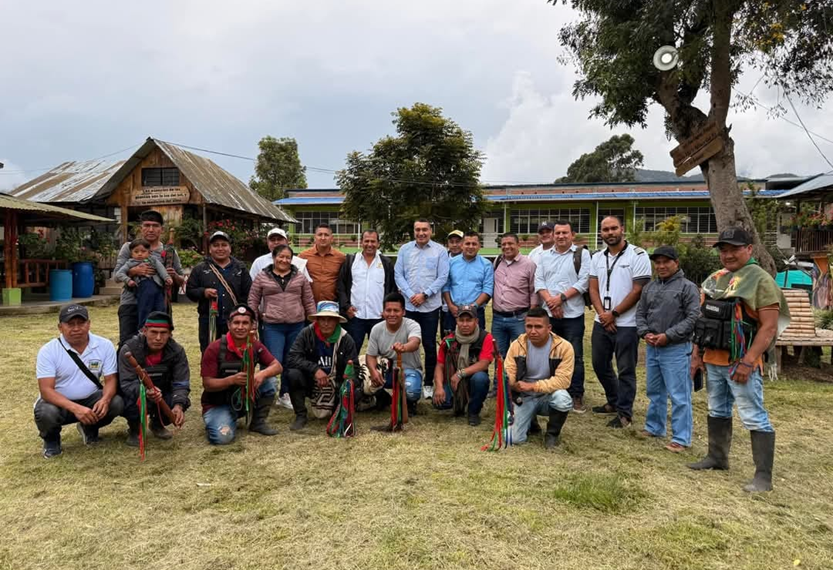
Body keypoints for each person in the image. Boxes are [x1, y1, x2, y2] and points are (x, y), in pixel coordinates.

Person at [687, 228, 790, 493]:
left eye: (734, 248)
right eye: (723, 249)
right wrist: (696, 355)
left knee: (754, 415)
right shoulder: (716, 279)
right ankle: (717, 458)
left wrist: (748, 361)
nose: (728, 254)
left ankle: (763, 477)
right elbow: (703, 321)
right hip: (713, 359)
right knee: (716, 409)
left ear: (749, 249)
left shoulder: (760, 281)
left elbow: (768, 327)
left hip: (740, 361)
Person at [34, 304, 125, 458]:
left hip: (90, 399)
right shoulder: (48, 351)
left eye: (81, 323)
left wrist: (105, 399)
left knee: (116, 402)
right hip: (60, 403)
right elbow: (46, 391)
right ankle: (51, 440)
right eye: (70, 324)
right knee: (46, 412)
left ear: (88, 324)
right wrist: (76, 408)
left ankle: (89, 428)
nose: (76, 328)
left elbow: (111, 380)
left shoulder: (104, 345)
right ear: (60, 327)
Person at [635, 246, 700, 452]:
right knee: (655, 391)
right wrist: (645, 332)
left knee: (679, 395)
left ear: (676, 263)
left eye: (666, 262)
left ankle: (681, 438)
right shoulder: (650, 287)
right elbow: (640, 313)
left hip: (676, 348)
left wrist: (668, 336)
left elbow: (693, 318)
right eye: (658, 262)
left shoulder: (687, 287)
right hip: (653, 347)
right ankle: (654, 427)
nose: (661, 266)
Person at [588, 215, 651, 428]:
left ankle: (625, 413)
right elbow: (593, 288)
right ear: (601, 233)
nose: (610, 233)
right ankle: (614, 401)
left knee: (626, 369)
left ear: (622, 229)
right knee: (599, 364)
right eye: (605, 229)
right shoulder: (596, 257)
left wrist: (613, 314)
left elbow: (638, 290)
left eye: (613, 228)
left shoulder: (638, 255)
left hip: (627, 323)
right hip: (601, 321)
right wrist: (603, 314)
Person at [200, 304, 282, 444]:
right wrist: (231, 380)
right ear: (228, 324)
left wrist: (261, 374)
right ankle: (220, 420)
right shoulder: (215, 348)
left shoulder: (254, 345)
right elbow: (208, 384)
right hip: (218, 404)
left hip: (243, 400)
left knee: (270, 382)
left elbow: (277, 367)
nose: (240, 327)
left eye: (245, 323)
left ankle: (257, 422)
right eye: (236, 323)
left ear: (252, 326)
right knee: (222, 439)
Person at [248, 244, 316, 410]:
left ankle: (286, 394)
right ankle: (265, 392)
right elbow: (253, 301)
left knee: (291, 360)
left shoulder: (300, 277)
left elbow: (308, 300)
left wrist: (314, 322)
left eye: (287, 257)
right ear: (274, 257)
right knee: (273, 360)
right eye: (281, 256)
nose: (284, 260)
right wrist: (253, 323)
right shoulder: (262, 276)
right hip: (272, 325)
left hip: (296, 325)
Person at [534, 220, 592, 413]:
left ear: (572, 235)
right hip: (549, 314)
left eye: (564, 233)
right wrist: (551, 301)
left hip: (573, 314)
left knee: (575, 355)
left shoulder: (582, 254)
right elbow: (539, 280)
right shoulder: (544, 256)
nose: (560, 236)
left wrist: (561, 299)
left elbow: (584, 281)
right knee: (549, 355)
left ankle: (576, 394)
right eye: (557, 233)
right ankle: (553, 391)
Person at [285, 300, 361, 431]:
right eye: (322, 319)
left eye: (330, 319)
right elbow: (292, 358)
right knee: (293, 374)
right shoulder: (306, 333)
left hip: (336, 383)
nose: (326, 323)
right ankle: (301, 415)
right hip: (311, 381)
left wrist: (346, 381)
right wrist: (315, 369)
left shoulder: (346, 339)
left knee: (354, 387)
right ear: (317, 320)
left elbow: (355, 369)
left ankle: (340, 411)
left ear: (337, 321)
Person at [394, 219, 450, 399]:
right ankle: (409, 379)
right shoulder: (404, 250)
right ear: (414, 231)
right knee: (408, 344)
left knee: (428, 345)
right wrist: (411, 294)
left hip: (430, 308)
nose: (421, 233)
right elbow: (398, 274)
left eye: (425, 229)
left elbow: (442, 276)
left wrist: (424, 295)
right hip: (409, 305)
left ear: (431, 231)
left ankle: (427, 383)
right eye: (417, 229)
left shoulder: (440, 251)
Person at [118, 311, 190, 446]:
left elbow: (181, 382)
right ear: (144, 331)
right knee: (127, 401)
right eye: (153, 332)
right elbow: (126, 383)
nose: (158, 338)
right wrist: (145, 393)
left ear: (170, 334)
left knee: (181, 399)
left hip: (163, 393)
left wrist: (178, 405)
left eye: (163, 333)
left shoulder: (177, 351)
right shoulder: (129, 350)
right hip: (137, 393)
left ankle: (157, 424)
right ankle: (135, 428)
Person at [506, 307, 574, 448]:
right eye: (529, 326)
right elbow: (509, 371)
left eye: (538, 327)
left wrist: (533, 386)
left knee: (563, 398)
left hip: (548, 396)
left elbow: (563, 381)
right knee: (512, 438)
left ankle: (552, 434)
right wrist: (511, 382)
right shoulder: (516, 345)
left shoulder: (564, 347)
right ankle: (531, 421)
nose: (533, 331)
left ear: (549, 328)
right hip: (523, 396)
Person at [114, 210, 185, 346]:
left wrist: (173, 275)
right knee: (128, 343)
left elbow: (181, 280)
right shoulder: (129, 247)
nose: (150, 229)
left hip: (158, 303)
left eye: (155, 226)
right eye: (146, 225)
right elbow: (116, 276)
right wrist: (133, 271)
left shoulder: (169, 252)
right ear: (141, 228)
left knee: (158, 345)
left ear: (161, 229)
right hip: (131, 304)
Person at [186, 231, 252, 352]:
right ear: (210, 249)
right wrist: (203, 292)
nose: (220, 248)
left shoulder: (240, 268)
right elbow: (190, 291)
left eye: (224, 245)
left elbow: (248, 294)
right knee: (209, 354)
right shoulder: (200, 269)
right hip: (208, 321)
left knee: (235, 354)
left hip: (235, 322)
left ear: (230, 248)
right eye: (216, 245)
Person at [432, 304, 496, 426]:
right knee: (440, 404)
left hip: (471, 379)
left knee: (480, 379)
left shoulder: (486, 338)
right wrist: (439, 387)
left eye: (469, 320)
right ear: (456, 321)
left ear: (476, 321)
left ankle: (473, 411)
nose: (465, 324)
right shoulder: (448, 340)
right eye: (461, 320)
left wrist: (460, 373)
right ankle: (459, 403)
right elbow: (439, 365)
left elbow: (484, 364)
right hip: (453, 382)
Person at [364, 292, 424, 417]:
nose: (392, 314)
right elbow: (370, 355)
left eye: (396, 310)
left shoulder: (413, 325)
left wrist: (403, 347)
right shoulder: (376, 329)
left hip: (408, 370)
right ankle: (383, 397)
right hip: (386, 371)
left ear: (403, 312)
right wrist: (373, 371)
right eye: (388, 310)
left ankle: (409, 402)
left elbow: (415, 342)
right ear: (383, 312)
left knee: (411, 391)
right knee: (364, 379)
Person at [336, 229, 396, 350]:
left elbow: (392, 289)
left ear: (378, 243)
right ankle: (354, 370)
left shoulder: (386, 263)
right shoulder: (351, 261)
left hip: (379, 316)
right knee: (351, 353)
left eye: (373, 241)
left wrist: (387, 310)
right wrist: (346, 307)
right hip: (355, 317)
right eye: (366, 241)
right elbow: (341, 286)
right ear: (361, 242)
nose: (370, 244)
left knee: (382, 353)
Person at [114, 238, 173, 331]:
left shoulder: (153, 260)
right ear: (131, 253)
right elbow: (118, 274)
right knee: (145, 307)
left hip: (157, 288)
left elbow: (161, 269)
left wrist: (167, 278)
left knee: (160, 308)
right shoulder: (130, 263)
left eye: (143, 251)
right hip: (143, 288)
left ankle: (161, 327)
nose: (140, 254)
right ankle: (143, 326)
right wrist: (129, 280)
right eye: (136, 252)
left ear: (149, 252)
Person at [442, 231, 494, 330]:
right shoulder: (451, 263)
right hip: (454, 311)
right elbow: (446, 285)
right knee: (451, 343)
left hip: (476, 311)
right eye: (467, 243)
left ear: (479, 246)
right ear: (462, 245)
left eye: (474, 244)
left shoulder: (486, 265)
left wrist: (473, 307)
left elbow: (487, 289)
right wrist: (450, 305)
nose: (470, 246)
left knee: (476, 344)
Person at [299, 223, 346, 304]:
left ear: (332, 238)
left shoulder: (341, 258)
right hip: (309, 304)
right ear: (315, 237)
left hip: (332, 305)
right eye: (320, 234)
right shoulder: (303, 256)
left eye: (326, 235)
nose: (323, 238)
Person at [441, 229, 465, 336]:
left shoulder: (468, 259)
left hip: (464, 307)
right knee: (447, 338)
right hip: (444, 307)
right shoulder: (442, 259)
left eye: (458, 241)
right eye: (452, 242)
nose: (454, 245)